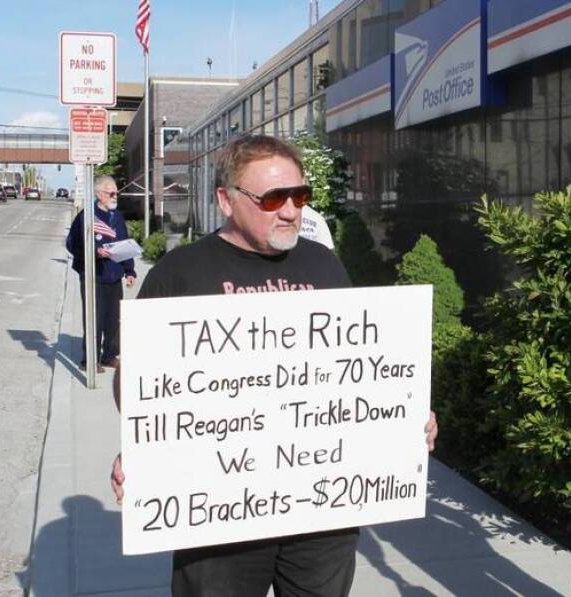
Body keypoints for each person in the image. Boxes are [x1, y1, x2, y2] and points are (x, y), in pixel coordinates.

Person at [109, 134, 438, 597]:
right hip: (217, 516)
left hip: (322, 509)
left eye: (299, 195)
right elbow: (139, 386)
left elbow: (356, 371)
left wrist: (404, 415)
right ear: (226, 200)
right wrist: (143, 445)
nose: (290, 211)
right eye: (272, 198)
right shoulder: (178, 275)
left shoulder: (325, 266)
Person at [66, 175, 136, 371]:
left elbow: (124, 245)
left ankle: (109, 355)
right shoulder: (86, 217)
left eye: (116, 193)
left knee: (114, 318)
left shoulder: (117, 217)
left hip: (114, 275)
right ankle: (89, 360)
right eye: (111, 193)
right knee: (94, 318)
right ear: (99, 194)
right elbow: (72, 244)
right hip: (93, 276)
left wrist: (129, 270)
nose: (115, 196)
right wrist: (95, 252)